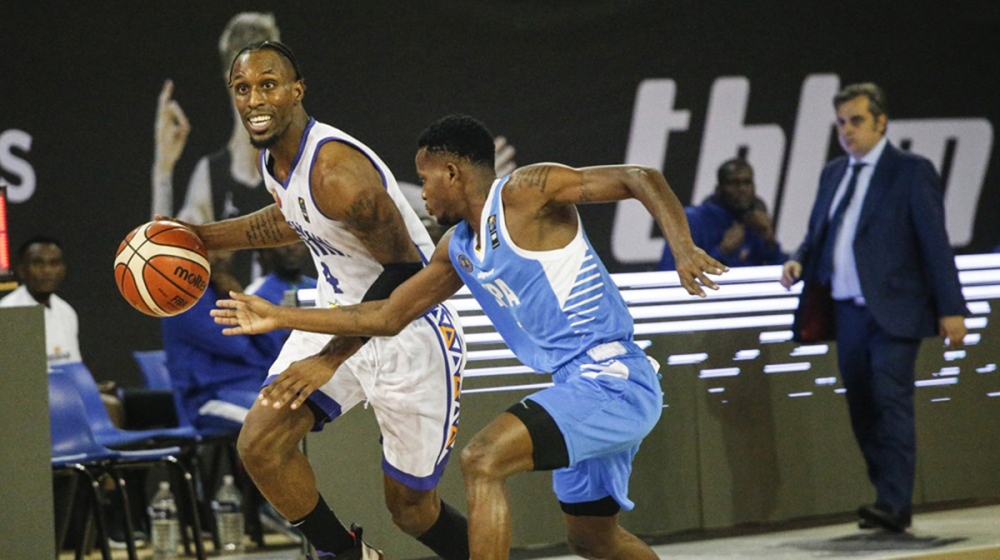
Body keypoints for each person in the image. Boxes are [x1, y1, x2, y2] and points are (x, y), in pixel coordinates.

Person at [212, 114, 726, 559]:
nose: (423, 194)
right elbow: (387, 315)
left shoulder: (528, 192)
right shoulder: (456, 249)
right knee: (594, 540)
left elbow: (641, 177)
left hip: (613, 377)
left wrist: (682, 248)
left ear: (452, 173)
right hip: (577, 386)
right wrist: (282, 317)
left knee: (482, 459)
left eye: (425, 180)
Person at [179, 41, 469, 559]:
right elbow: (290, 217)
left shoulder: (337, 171)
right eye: (242, 89)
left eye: (268, 84)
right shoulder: (275, 158)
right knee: (260, 446)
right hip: (337, 316)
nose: (254, 99)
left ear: (297, 90)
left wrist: (329, 357)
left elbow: (404, 274)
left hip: (407, 329)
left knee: (411, 511)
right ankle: (350, 556)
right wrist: (198, 236)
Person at [780, 83, 967, 533]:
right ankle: (885, 494)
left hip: (895, 311)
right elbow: (819, 231)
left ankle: (894, 502)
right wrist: (799, 259)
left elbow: (934, 243)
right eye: (841, 122)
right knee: (862, 406)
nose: (847, 130)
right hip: (848, 314)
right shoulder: (834, 174)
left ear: (882, 122)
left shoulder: (910, 172)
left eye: (856, 121)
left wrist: (951, 307)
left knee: (890, 400)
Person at [153, 12, 282, 284]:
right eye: (247, 84)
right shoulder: (211, 176)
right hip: (227, 323)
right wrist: (162, 173)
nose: (260, 98)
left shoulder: (297, 168)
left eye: (270, 82)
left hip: (291, 324)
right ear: (230, 81)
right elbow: (163, 266)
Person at [659, 158, 786, 270]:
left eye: (747, 182)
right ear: (718, 189)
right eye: (734, 183)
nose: (742, 189)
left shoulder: (757, 222)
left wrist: (770, 241)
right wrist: (722, 251)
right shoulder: (693, 219)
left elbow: (784, 274)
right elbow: (671, 272)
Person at [0, 236, 81, 366]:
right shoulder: (6, 313)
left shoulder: (67, 312)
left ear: (62, 270)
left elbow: (72, 368)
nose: (47, 271)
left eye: (54, 263)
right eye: (38, 263)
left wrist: (91, 387)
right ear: (21, 270)